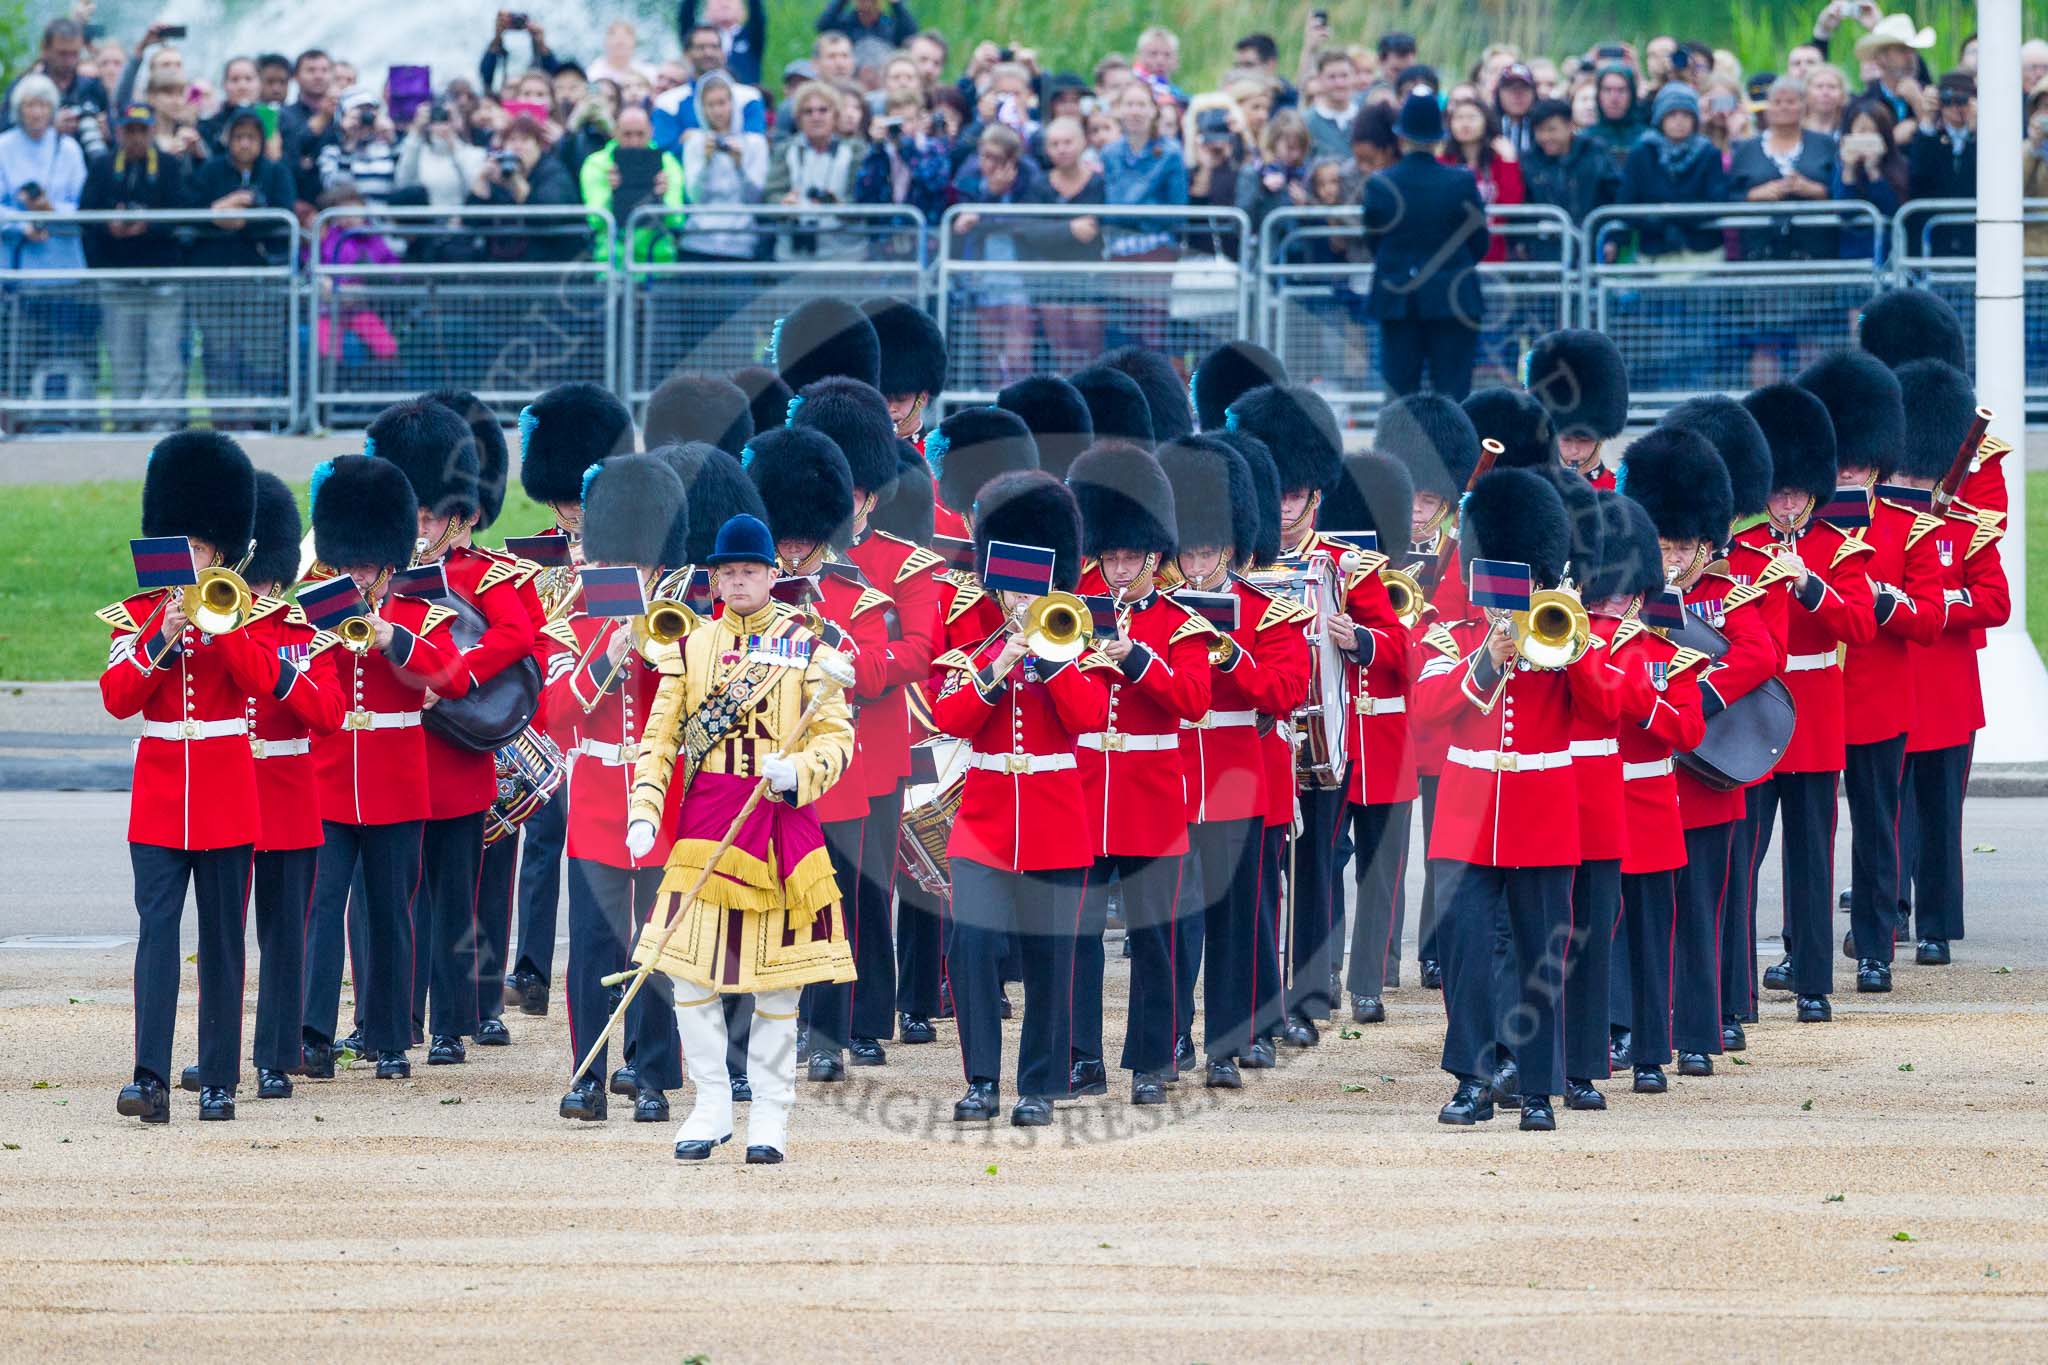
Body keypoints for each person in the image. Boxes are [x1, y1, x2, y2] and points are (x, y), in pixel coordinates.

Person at [621, 507, 856, 1164]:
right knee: (689, 973)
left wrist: (800, 770)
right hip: (706, 822)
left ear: (772, 574)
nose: (740, 581)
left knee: (777, 983)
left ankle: (773, 1112)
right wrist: (644, 808)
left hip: (781, 823)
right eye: (729, 572)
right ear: (716, 578)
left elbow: (838, 740)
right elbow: (660, 738)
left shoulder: (808, 645)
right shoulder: (689, 645)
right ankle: (712, 1099)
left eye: (750, 570)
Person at [1412, 467, 1624, 1130]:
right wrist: (1487, 659)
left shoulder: (1565, 628)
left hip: (1543, 809)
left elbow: (1610, 705)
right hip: (1467, 812)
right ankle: (1473, 1079)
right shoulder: (1451, 629)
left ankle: (1538, 1087)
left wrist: (1569, 648)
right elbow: (1425, 707)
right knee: (1466, 951)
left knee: (1541, 953)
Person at [99, 434, 272, 1122]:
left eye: (203, 548)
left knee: (225, 942)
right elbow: (117, 697)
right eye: (184, 545)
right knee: (157, 935)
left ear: (222, 554)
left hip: (227, 795)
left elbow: (262, 682)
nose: (192, 558)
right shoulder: (140, 615)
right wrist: (162, 636)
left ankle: (222, 1079)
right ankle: (150, 1075)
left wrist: (219, 623)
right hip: (162, 798)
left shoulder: (246, 612)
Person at [930, 470, 1107, 1124]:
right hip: (985, 816)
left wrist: (1053, 657)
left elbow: (1088, 715)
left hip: (1056, 815)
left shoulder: (1073, 634)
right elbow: (948, 716)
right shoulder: (975, 636)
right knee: (969, 946)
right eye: (1008, 579)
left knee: (1050, 957)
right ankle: (981, 1080)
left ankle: (1039, 1084)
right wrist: (998, 665)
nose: (1018, 593)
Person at [542, 454, 692, 1124]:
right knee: (594, 947)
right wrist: (608, 652)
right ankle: (588, 1074)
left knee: (655, 942)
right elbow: (556, 714)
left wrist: (661, 648)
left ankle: (653, 1070)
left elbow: (696, 705)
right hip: (600, 795)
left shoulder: (680, 623)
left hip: (662, 793)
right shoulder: (570, 626)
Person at [1063, 443, 1212, 1103]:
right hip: (1085, 790)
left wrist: (1140, 661)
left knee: (1157, 940)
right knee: (1076, 937)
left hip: (1150, 796)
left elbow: (1194, 701)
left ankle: (1153, 1059)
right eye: (1110, 556)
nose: (1117, 569)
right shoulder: (1075, 613)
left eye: (1129, 557)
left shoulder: (1182, 624)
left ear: (1154, 556)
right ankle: (1079, 1056)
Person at [1794, 350, 1943, 999]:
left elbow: (1932, 616)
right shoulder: (1803, 525)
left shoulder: (1909, 527)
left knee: (1876, 831)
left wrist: (1881, 599)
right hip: (1814, 701)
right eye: (1841, 457)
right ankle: (1805, 948)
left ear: (1878, 461)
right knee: (1812, 835)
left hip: (1878, 700)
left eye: (1858, 458)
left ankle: (1876, 948)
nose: (1849, 467)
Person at [1888, 362, 2008, 968]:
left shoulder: (1964, 527)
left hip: (1947, 684)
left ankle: (1936, 923)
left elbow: (1996, 602)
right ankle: (1887, 915)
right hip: (1891, 681)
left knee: (1939, 817)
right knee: (1886, 812)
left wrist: (1940, 601)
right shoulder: (1878, 525)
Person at [1360, 87, 1489, 400]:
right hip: (1453, 296)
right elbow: (1479, 241)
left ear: (1401, 137)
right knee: (1454, 393)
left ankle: (1397, 451)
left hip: (1399, 298)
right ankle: (1455, 450)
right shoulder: (1461, 181)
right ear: (1438, 137)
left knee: (1400, 397)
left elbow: (1374, 241)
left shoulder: (1380, 183)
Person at [81, 104, 186, 427]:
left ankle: (162, 423)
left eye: (142, 130)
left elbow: (183, 214)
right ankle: (125, 422)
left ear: (152, 130)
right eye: (130, 130)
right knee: (122, 355)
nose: (137, 137)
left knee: (164, 354)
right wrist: (109, 225)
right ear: (119, 132)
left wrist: (148, 225)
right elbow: (86, 214)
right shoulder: (102, 166)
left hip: (161, 277)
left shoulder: (169, 166)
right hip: (118, 276)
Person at [183, 109, 292, 411]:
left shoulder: (275, 172)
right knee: (219, 349)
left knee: (261, 349)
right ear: (229, 140)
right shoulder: (210, 171)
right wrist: (220, 209)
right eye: (239, 137)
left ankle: (261, 417)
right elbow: (192, 213)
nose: (245, 144)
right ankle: (223, 417)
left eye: (252, 138)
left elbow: (284, 218)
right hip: (214, 276)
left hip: (261, 278)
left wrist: (243, 217)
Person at [1726, 76, 1840, 260]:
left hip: (1815, 252)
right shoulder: (1745, 149)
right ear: (1767, 107)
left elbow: (1844, 189)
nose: (1784, 107)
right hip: (1759, 252)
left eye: (1791, 101)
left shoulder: (1826, 144)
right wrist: (1753, 195)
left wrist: (1816, 190)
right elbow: (1727, 195)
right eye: (1777, 102)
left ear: (1804, 106)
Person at [1620, 83, 1728, 261]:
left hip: (1702, 253)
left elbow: (1717, 201)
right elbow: (1626, 202)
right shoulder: (1642, 153)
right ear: (1660, 117)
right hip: (1654, 252)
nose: (1679, 121)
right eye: (1671, 114)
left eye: (1686, 114)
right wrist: (1657, 220)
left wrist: (1672, 212)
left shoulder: (1708, 153)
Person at [678, 73, 768, 263]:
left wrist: (739, 165)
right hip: (699, 239)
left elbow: (755, 197)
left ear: (733, 103)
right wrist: (706, 162)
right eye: (710, 105)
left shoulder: (755, 143)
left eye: (722, 103)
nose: (717, 111)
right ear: (701, 108)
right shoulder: (694, 143)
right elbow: (694, 196)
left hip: (740, 240)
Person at [581, 104, 685, 265]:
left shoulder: (668, 163)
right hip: (613, 265)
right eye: (627, 134)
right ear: (615, 132)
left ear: (651, 132)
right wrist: (612, 194)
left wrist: (662, 199)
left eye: (640, 134)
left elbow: (677, 220)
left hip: (657, 264)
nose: (634, 142)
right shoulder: (596, 164)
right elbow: (595, 220)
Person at [3, 17, 108, 159]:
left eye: (74, 54)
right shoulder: (23, 89)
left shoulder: (92, 87)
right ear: (45, 49)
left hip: (87, 168)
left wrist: (107, 131)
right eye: (63, 54)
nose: (69, 61)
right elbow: (5, 131)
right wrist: (45, 125)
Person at [1441, 93, 1525, 263]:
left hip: (1492, 253)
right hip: (1450, 254)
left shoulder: (1500, 161)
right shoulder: (1442, 162)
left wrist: (1510, 162)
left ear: (1486, 121)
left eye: (1472, 117)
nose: (1465, 123)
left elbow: (1511, 203)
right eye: (1459, 118)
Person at [1521, 97, 1620, 235]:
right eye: (1539, 130)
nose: (1545, 137)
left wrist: (1612, 238)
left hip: (1591, 243)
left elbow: (1615, 196)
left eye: (1551, 129)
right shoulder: (1529, 161)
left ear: (1570, 126)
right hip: (1545, 247)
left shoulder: (1594, 153)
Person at [1908, 72, 1978, 257]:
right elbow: (1919, 174)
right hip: (1936, 238)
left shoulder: (1982, 140)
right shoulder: (1930, 137)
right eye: (1948, 100)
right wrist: (1928, 119)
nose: (1955, 107)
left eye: (1962, 100)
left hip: (1972, 237)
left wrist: (1974, 134)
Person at [1835, 97, 1909, 258]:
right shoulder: (1839, 167)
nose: (1866, 137)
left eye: (1873, 131)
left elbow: (1891, 210)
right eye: (1861, 131)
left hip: (1889, 253)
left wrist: (1873, 171)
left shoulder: (1900, 165)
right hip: (1851, 254)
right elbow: (1844, 213)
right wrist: (1848, 170)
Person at [397, 100, 488, 208]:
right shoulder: (418, 153)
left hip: (461, 221)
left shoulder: (476, 154)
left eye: (448, 118)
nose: (442, 124)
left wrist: (454, 145)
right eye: (437, 119)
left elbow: (475, 189)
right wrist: (416, 131)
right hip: (426, 221)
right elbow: (402, 182)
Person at [679, 0, 767, 88]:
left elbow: (757, 13)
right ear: (707, 12)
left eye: (731, 1)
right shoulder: (698, 37)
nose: (724, 4)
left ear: (742, 11)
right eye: (717, 2)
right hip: (702, 94)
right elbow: (686, 15)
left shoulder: (751, 36)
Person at [1583, 61, 1646, 166]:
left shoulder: (1647, 139)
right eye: (1607, 90)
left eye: (1621, 90)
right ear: (1598, 94)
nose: (1614, 98)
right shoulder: (1584, 141)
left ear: (1632, 94)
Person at [1304, 48, 1361, 159]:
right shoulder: (1307, 122)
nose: (1339, 83)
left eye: (1344, 76)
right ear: (1320, 80)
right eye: (1332, 77)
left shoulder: (1366, 117)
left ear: (1354, 77)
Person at [1804, 63, 1850, 138]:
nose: (1825, 92)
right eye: (1819, 87)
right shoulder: (1795, 129)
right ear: (1806, 93)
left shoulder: (1850, 129)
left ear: (1842, 94)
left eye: (1832, 87)